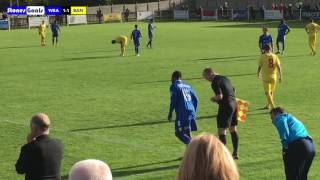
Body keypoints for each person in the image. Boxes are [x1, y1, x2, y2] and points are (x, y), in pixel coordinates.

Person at [202, 67, 239, 159]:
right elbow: (234, 90)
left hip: (226, 106)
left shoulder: (214, 82)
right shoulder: (224, 78)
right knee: (233, 129)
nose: (206, 79)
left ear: (209, 73)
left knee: (221, 130)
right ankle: (235, 153)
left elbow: (219, 96)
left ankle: (223, 155)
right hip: (234, 104)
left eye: (205, 77)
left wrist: (213, 99)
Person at [270, 107, 316, 180]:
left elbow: (284, 132)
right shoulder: (291, 118)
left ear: (276, 114)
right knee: (302, 176)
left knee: (292, 176)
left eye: (272, 117)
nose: (272, 120)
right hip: (311, 146)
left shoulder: (280, 118)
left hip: (298, 146)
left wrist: (285, 147)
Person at [15, 113, 64, 180]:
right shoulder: (59, 144)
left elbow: (20, 170)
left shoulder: (29, 148)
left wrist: (30, 144)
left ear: (34, 128)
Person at [168, 71, 198, 145]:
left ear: (174, 77)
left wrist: (170, 113)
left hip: (182, 112)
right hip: (191, 111)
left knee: (179, 132)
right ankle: (190, 154)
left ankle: (194, 145)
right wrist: (194, 111)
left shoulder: (174, 86)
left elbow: (173, 101)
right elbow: (196, 99)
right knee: (187, 132)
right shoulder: (188, 86)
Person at [257, 45, 282, 110]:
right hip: (274, 76)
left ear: (264, 49)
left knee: (267, 93)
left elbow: (260, 66)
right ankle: (268, 105)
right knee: (271, 92)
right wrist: (280, 76)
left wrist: (258, 73)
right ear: (270, 49)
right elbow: (279, 66)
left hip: (266, 76)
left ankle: (273, 108)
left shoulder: (262, 56)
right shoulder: (275, 56)